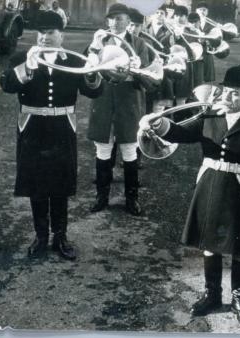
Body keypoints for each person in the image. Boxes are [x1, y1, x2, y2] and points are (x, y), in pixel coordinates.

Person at [139, 65, 240, 325]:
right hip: (211, 185)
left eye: (235, 93)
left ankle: (239, 299)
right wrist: (157, 123)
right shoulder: (209, 117)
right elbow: (180, 132)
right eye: (225, 91)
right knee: (208, 244)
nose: (228, 97)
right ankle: (212, 294)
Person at [0, 11, 103, 260]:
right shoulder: (21, 57)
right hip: (32, 127)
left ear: (61, 35)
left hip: (61, 127)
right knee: (36, 184)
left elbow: (94, 92)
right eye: (41, 32)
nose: (44, 37)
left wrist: (91, 72)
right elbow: (6, 85)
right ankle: (41, 236)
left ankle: (60, 237)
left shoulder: (73, 61)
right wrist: (27, 69)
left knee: (59, 184)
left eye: (50, 33)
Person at [86, 3, 150, 215]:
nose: (115, 23)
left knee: (129, 151)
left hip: (128, 102)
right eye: (111, 19)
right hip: (104, 101)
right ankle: (101, 197)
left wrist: (138, 67)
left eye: (120, 18)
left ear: (128, 22)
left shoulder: (139, 43)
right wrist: (94, 48)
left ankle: (132, 199)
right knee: (103, 150)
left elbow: (150, 80)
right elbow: (87, 71)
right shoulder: (99, 41)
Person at [195, 2, 216, 83]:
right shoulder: (192, 22)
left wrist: (209, 42)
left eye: (204, 10)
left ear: (207, 12)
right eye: (200, 10)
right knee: (196, 76)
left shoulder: (212, 24)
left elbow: (215, 38)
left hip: (207, 52)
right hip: (196, 51)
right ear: (196, 11)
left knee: (207, 77)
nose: (202, 12)